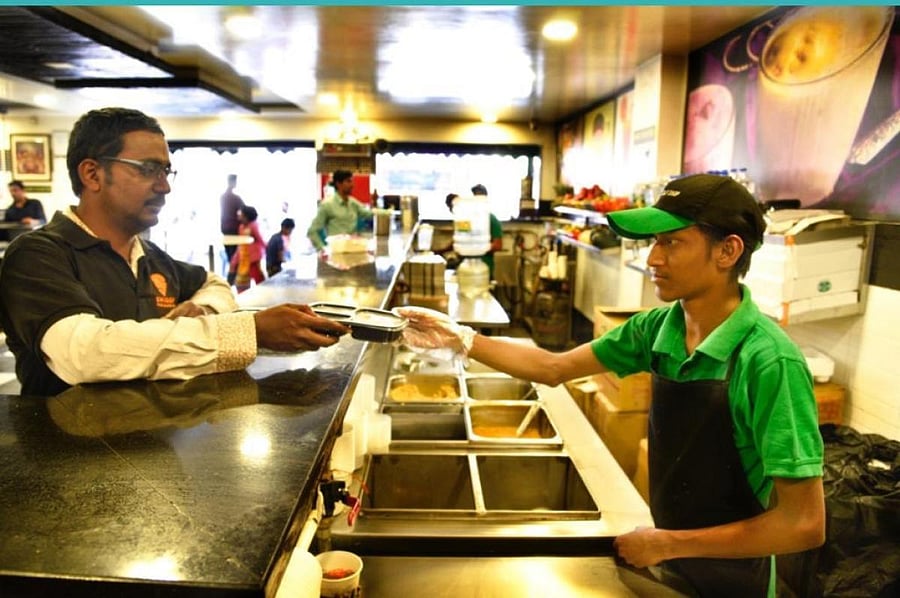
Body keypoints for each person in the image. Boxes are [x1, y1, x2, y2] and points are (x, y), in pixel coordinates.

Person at [398, 173, 825, 597]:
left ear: (728, 250)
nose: (653, 259)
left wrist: (668, 543)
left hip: (735, 582)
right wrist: (464, 339)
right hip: (673, 561)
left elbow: (803, 524)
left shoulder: (768, 361)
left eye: (671, 242)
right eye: (654, 242)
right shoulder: (660, 327)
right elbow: (553, 367)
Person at [0, 107, 349, 397]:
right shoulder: (37, 256)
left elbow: (215, 284)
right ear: (92, 173)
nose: (164, 185)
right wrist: (248, 332)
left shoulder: (149, 256)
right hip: (66, 465)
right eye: (148, 169)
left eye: (166, 171)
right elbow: (84, 354)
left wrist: (205, 311)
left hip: (153, 455)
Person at [307, 170, 372, 256]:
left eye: (352, 181)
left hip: (353, 251)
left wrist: (381, 210)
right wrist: (322, 249)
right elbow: (312, 231)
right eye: (348, 181)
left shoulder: (353, 203)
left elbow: (369, 214)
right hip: (336, 254)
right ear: (338, 184)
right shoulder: (327, 205)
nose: (352, 185)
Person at [229, 205, 267, 293]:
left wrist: (268, 250)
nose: (238, 215)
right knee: (241, 283)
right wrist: (234, 260)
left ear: (246, 215)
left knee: (260, 281)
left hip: (253, 259)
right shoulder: (241, 227)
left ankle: (262, 298)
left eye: (240, 213)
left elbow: (261, 239)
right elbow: (240, 243)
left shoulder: (254, 226)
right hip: (243, 258)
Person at [470, 183, 503, 278]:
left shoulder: (491, 219)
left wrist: (477, 248)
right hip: (469, 267)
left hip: (484, 268)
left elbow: (498, 245)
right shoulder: (469, 218)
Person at [219, 173, 245, 270]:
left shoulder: (222, 197)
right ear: (233, 182)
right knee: (235, 259)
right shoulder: (236, 198)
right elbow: (245, 210)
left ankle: (232, 280)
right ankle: (233, 280)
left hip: (225, 229)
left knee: (231, 259)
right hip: (234, 230)